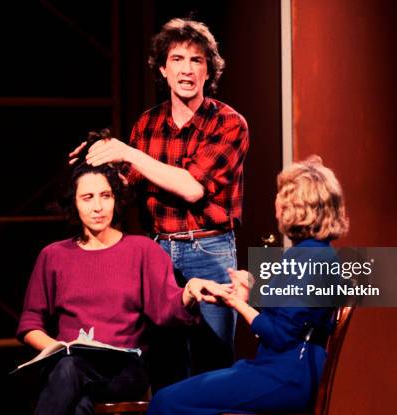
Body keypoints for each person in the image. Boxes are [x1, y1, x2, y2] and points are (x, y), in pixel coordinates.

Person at [71, 18, 250, 378]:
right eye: (178, 59)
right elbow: (126, 185)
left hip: (209, 251)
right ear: (163, 69)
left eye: (196, 60)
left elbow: (191, 187)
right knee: (165, 365)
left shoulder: (229, 124)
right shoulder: (147, 124)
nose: (186, 69)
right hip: (157, 253)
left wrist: (129, 152)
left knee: (212, 364)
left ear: (208, 70)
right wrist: (93, 161)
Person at [16, 150, 229, 415]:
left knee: (71, 373)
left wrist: (189, 291)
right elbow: (30, 323)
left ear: (116, 199)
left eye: (106, 196)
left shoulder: (141, 249)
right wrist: (59, 349)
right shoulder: (54, 255)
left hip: (123, 371)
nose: (98, 207)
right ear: (74, 203)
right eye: (88, 198)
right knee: (78, 397)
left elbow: (166, 310)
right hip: (69, 366)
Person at [147, 155, 350, 414]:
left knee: (167, 401)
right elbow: (289, 323)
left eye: (281, 194)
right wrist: (248, 297)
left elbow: (278, 335)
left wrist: (239, 304)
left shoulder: (306, 258)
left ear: (297, 205)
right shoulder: (317, 254)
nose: (275, 200)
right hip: (289, 371)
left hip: (286, 376)